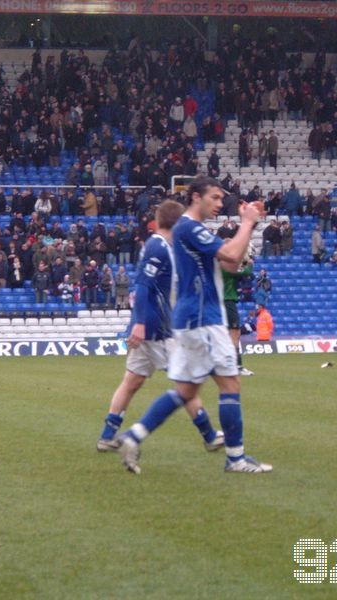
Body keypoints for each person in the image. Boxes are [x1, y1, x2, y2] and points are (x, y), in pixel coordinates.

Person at [119, 176, 272, 474]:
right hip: (204, 317)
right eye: (214, 197)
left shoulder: (193, 230)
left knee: (186, 392)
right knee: (230, 383)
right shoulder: (188, 227)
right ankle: (236, 459)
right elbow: (229, 255)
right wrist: (246, 224)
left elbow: (230, 264)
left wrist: (247, 227)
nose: (219, 203)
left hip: (193, 317)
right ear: (195, 198)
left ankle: (133, 436)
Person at [97, 200, 223, 453]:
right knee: (186, 381)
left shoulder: (162, 246)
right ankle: (209, 435)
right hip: (159, 329)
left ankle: (107, 435)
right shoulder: (158, 247)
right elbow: (143, 285)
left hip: (151, 324)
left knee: (131, 381)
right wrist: (141, 324)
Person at [222, 259, 255, 377]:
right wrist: (249, 264)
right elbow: (245, 273)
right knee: (235, 333)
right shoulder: (225, 267)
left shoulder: (219, 266)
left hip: (222, 302)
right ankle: (237, 366)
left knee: (227, 334)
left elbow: (249, 277)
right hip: (227, 301)